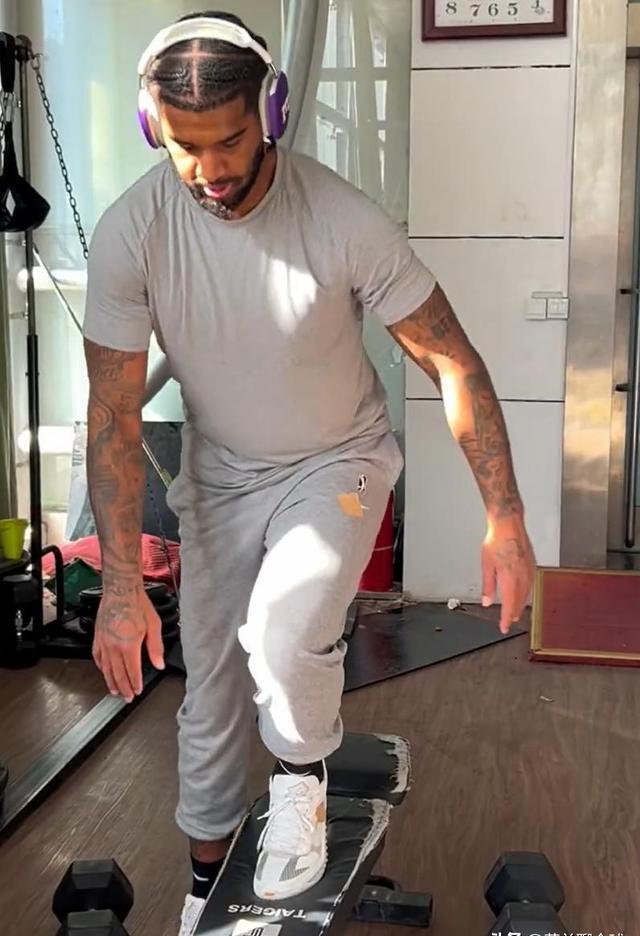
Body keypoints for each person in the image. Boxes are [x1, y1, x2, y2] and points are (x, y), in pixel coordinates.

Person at [82, 10, 536, 935]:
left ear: (273, 110)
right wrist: (121, 587)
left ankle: (301, 782)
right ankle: (206, 884)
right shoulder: (132, 232)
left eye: (231, 140)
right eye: (186, 147)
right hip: (219, 477)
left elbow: (453, 363)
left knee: (286, 635)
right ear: (152, 129)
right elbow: (114, 418)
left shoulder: (341, 219)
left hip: (339, 461)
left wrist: (506, 517)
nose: (210, 169)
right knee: (209, 692)